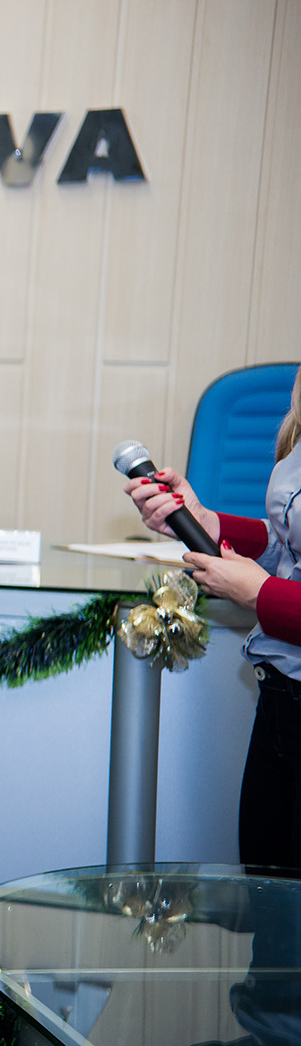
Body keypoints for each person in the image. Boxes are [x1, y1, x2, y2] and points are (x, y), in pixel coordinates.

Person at [125, 371, 301, 872]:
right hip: (281, 694)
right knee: (265, 893)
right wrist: (208, 522)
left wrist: (260, 593)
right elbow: (287, 543)